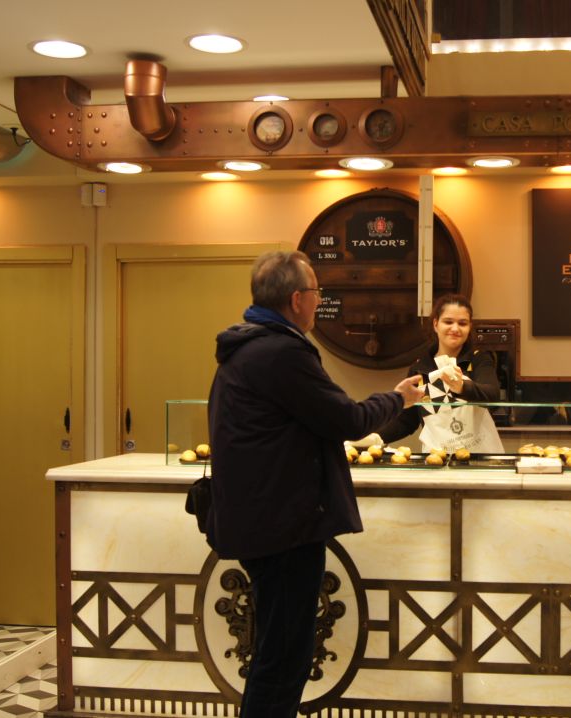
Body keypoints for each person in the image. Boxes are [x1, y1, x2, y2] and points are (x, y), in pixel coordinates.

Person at [206, 250, 425, 717]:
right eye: (317, 292)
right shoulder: (281, 352)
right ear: (297, 299)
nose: (320, 300)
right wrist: (398, 398)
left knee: (276, 651)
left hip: (262, 521)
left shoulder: (247, 347)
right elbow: (346, 419)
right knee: (284, 658)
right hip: (283, 527)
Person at [363, 294, 503, 453]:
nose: (455, 328)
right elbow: (406, 421)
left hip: (479, 457)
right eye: (448, 322)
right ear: (436, 324)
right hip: (436, 458)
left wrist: (462, 387)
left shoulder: (478, 359)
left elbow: (493, 396)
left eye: (462, 323)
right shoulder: (419, 368)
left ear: (470, 327)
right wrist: (374, 437)